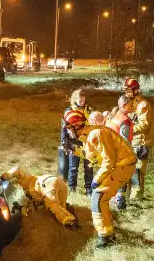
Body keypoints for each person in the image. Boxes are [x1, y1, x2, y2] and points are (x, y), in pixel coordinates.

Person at [64, 108, 137, 248]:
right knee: (100, 198)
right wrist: (74, 150)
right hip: (118, 164)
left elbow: (109, 160)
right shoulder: (88, 134)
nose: (68, 132)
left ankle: (104, 237)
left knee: (98, 196)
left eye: (69, 128)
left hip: (123, 165)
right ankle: (108, 232)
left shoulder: (94, 134)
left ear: (76, 126)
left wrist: (97, 179)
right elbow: (93, 155)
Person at [1, 166, 78, 228]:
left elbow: (17, 169)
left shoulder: (27, 181)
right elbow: (31, 209)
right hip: (59, 183)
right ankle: (69, 217)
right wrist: (20, 208)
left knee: (54, 206)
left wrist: (4, 177)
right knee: (60, 206)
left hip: (46, 185)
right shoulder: (29, 185)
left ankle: (70, 222)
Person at [58, 88, 94, 193]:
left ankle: (88, 188)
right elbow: (64, 127)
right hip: (74, 142)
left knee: (89, 166)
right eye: (80, 101)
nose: (82, 103)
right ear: (75, 100)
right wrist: (64, 142)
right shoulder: (69, 111)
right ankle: (72, 187)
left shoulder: (89, 110)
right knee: (73, 167)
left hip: (87, 142)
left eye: (84, 100)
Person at [124, 77, 152, 200]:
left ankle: (137, 197)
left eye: (129, 90)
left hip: (140, 142)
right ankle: (128, 195)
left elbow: (144, 125)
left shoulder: (143, 105)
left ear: (136, 90)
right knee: (128, 169)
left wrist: (128, 130)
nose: (127, 92)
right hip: (129, 142)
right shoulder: (128, 103)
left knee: (138, 171)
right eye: (126, 90)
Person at [107, 95, 135, 210]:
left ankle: (111, 198)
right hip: (120, 152)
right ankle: (120, 201)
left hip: (111, 150)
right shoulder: (125, 120)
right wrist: (130, 153)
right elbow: (124, 138)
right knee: (122, 176)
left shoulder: (115, 116)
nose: (133, 106)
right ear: (124, 106)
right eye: (131, 105)